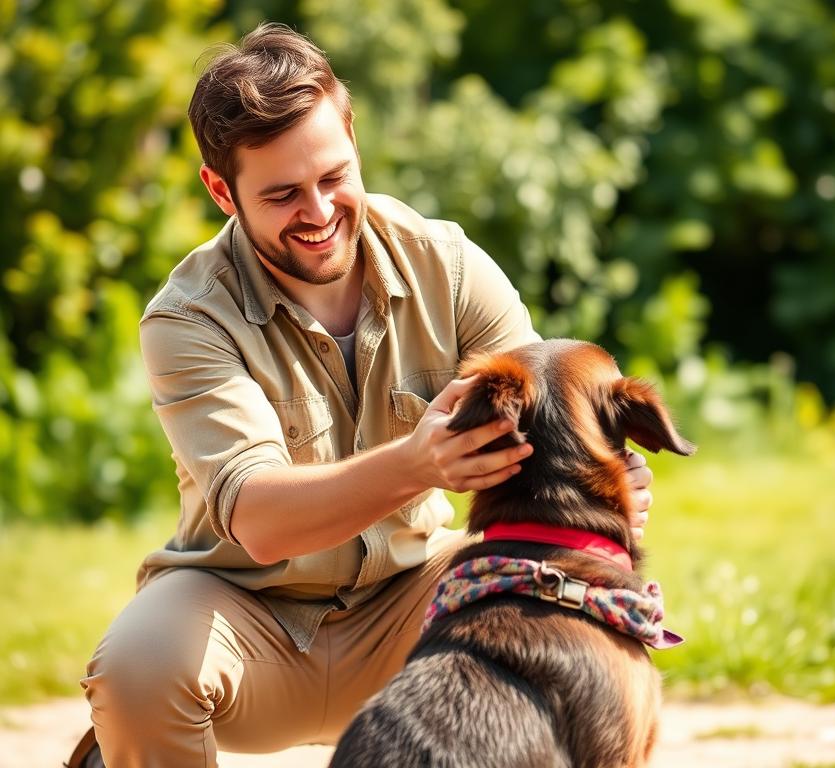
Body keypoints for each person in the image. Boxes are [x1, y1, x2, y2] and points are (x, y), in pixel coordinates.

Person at [76, 22, 655, 767]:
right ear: (221, 190)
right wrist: (417, 465)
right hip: (247, 617)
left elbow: (551, 430)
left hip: (421, 602)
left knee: (566, 580)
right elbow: (259, 519)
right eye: (282, 194)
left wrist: (621, 486)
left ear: (354, 142)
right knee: (136, 671)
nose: (318, 212)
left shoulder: (446, 264)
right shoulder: (187, 318)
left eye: (334, 176)